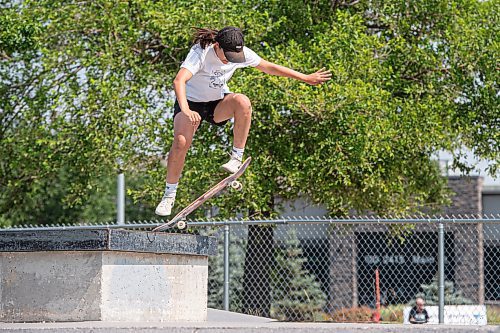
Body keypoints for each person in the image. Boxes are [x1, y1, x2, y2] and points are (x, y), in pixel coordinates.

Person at [155, 27, 331, 216]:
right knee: (181, 143)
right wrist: (186, 110)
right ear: (217, 46)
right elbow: (179, 81)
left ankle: (236, 158)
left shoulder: (242, 53)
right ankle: (169, 195)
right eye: (226, 56)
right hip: (190, 102)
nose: (229, 61)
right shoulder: (201, 51)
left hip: (217, 103)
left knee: (243, 102)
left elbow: (268, 67)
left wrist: (305, 77)